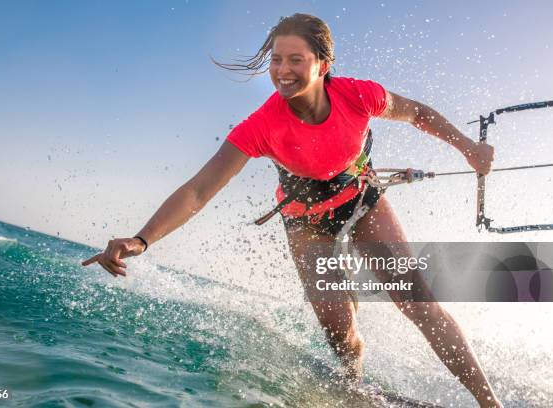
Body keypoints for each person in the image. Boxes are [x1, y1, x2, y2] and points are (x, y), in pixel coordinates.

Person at [82, 13, 502, 407]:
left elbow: (418, 114)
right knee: (339, 329)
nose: (282, 70)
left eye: (295, 60)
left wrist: (469, 149)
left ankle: (489, 403)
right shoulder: (263, 125)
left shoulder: (359, 95)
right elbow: (198, 190)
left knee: (418, 302)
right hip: (307, 221)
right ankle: (353, 384)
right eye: (276, 60)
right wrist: (142, 239)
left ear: (323, 63)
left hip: (362, 201)